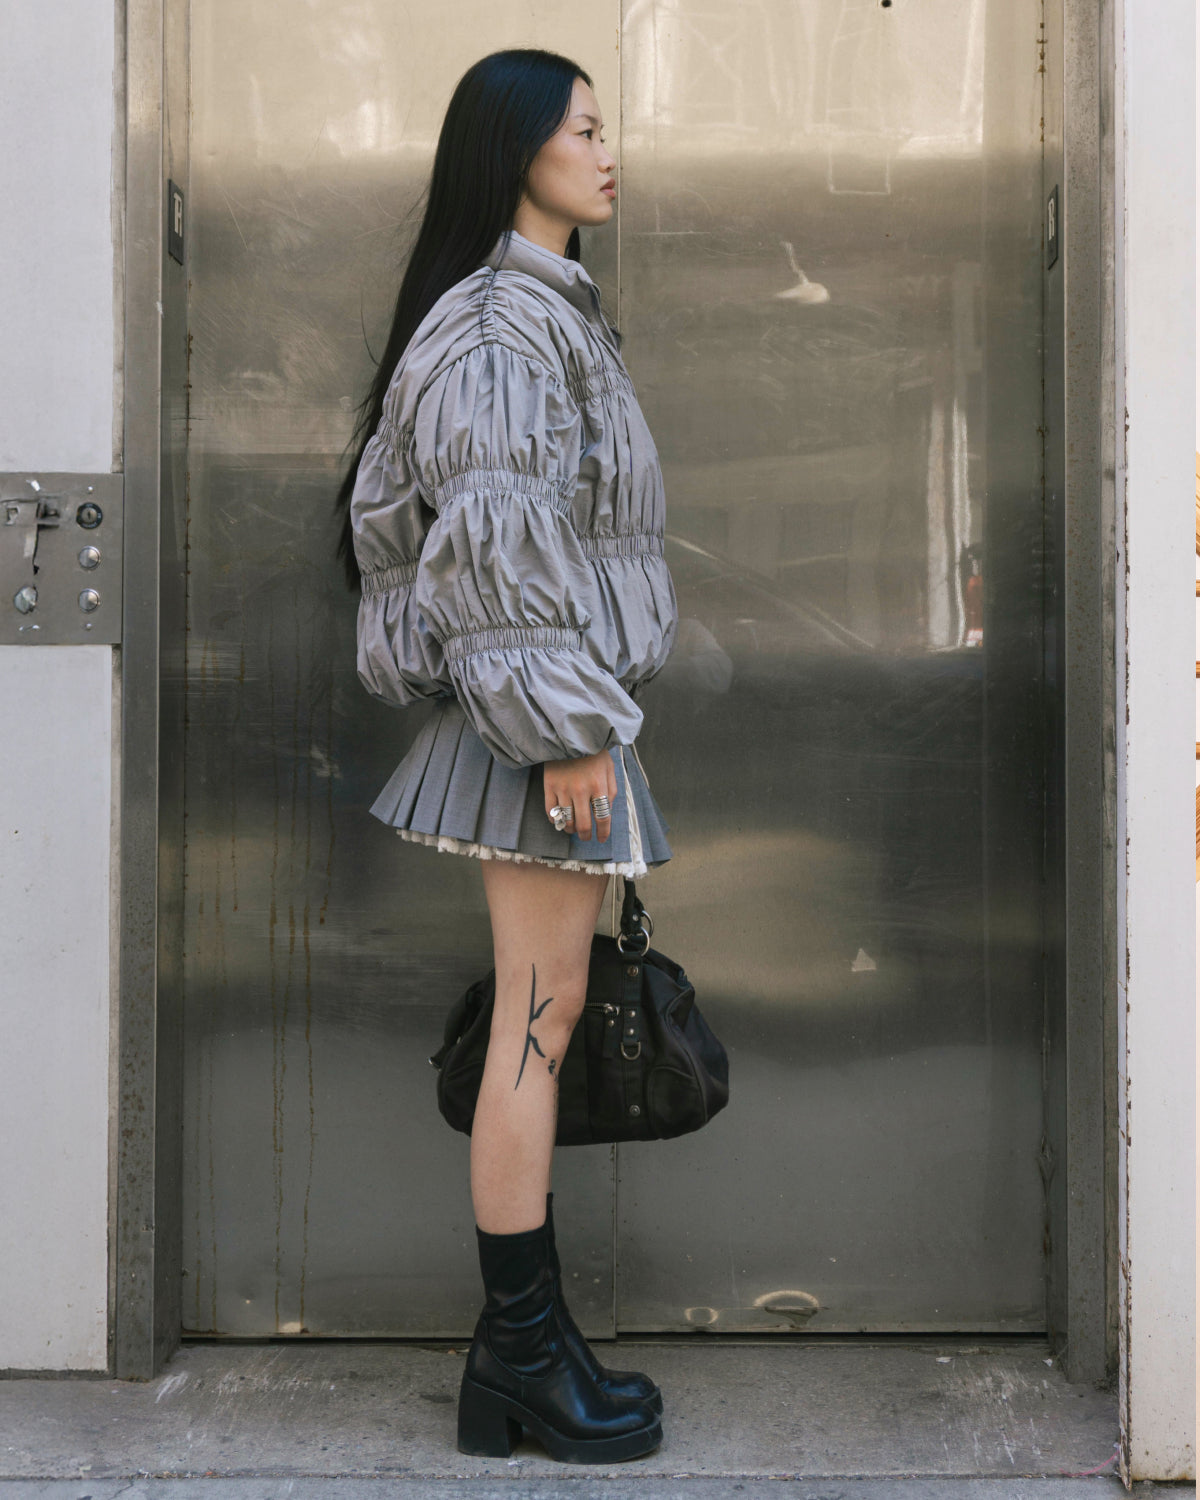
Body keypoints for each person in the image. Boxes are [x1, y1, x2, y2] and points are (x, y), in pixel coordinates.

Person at [335, 48, 677, 1463]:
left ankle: (524, 1357)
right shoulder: (496, 328)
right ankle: (521, 1358)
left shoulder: (538, 312)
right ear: (514, 148)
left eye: (607, 128)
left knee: (539, 1020)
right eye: (582, 129)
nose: (608, 152)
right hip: (539, 729)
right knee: (535, 1031)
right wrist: (564, 733)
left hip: (547, 715)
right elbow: (496, 539)